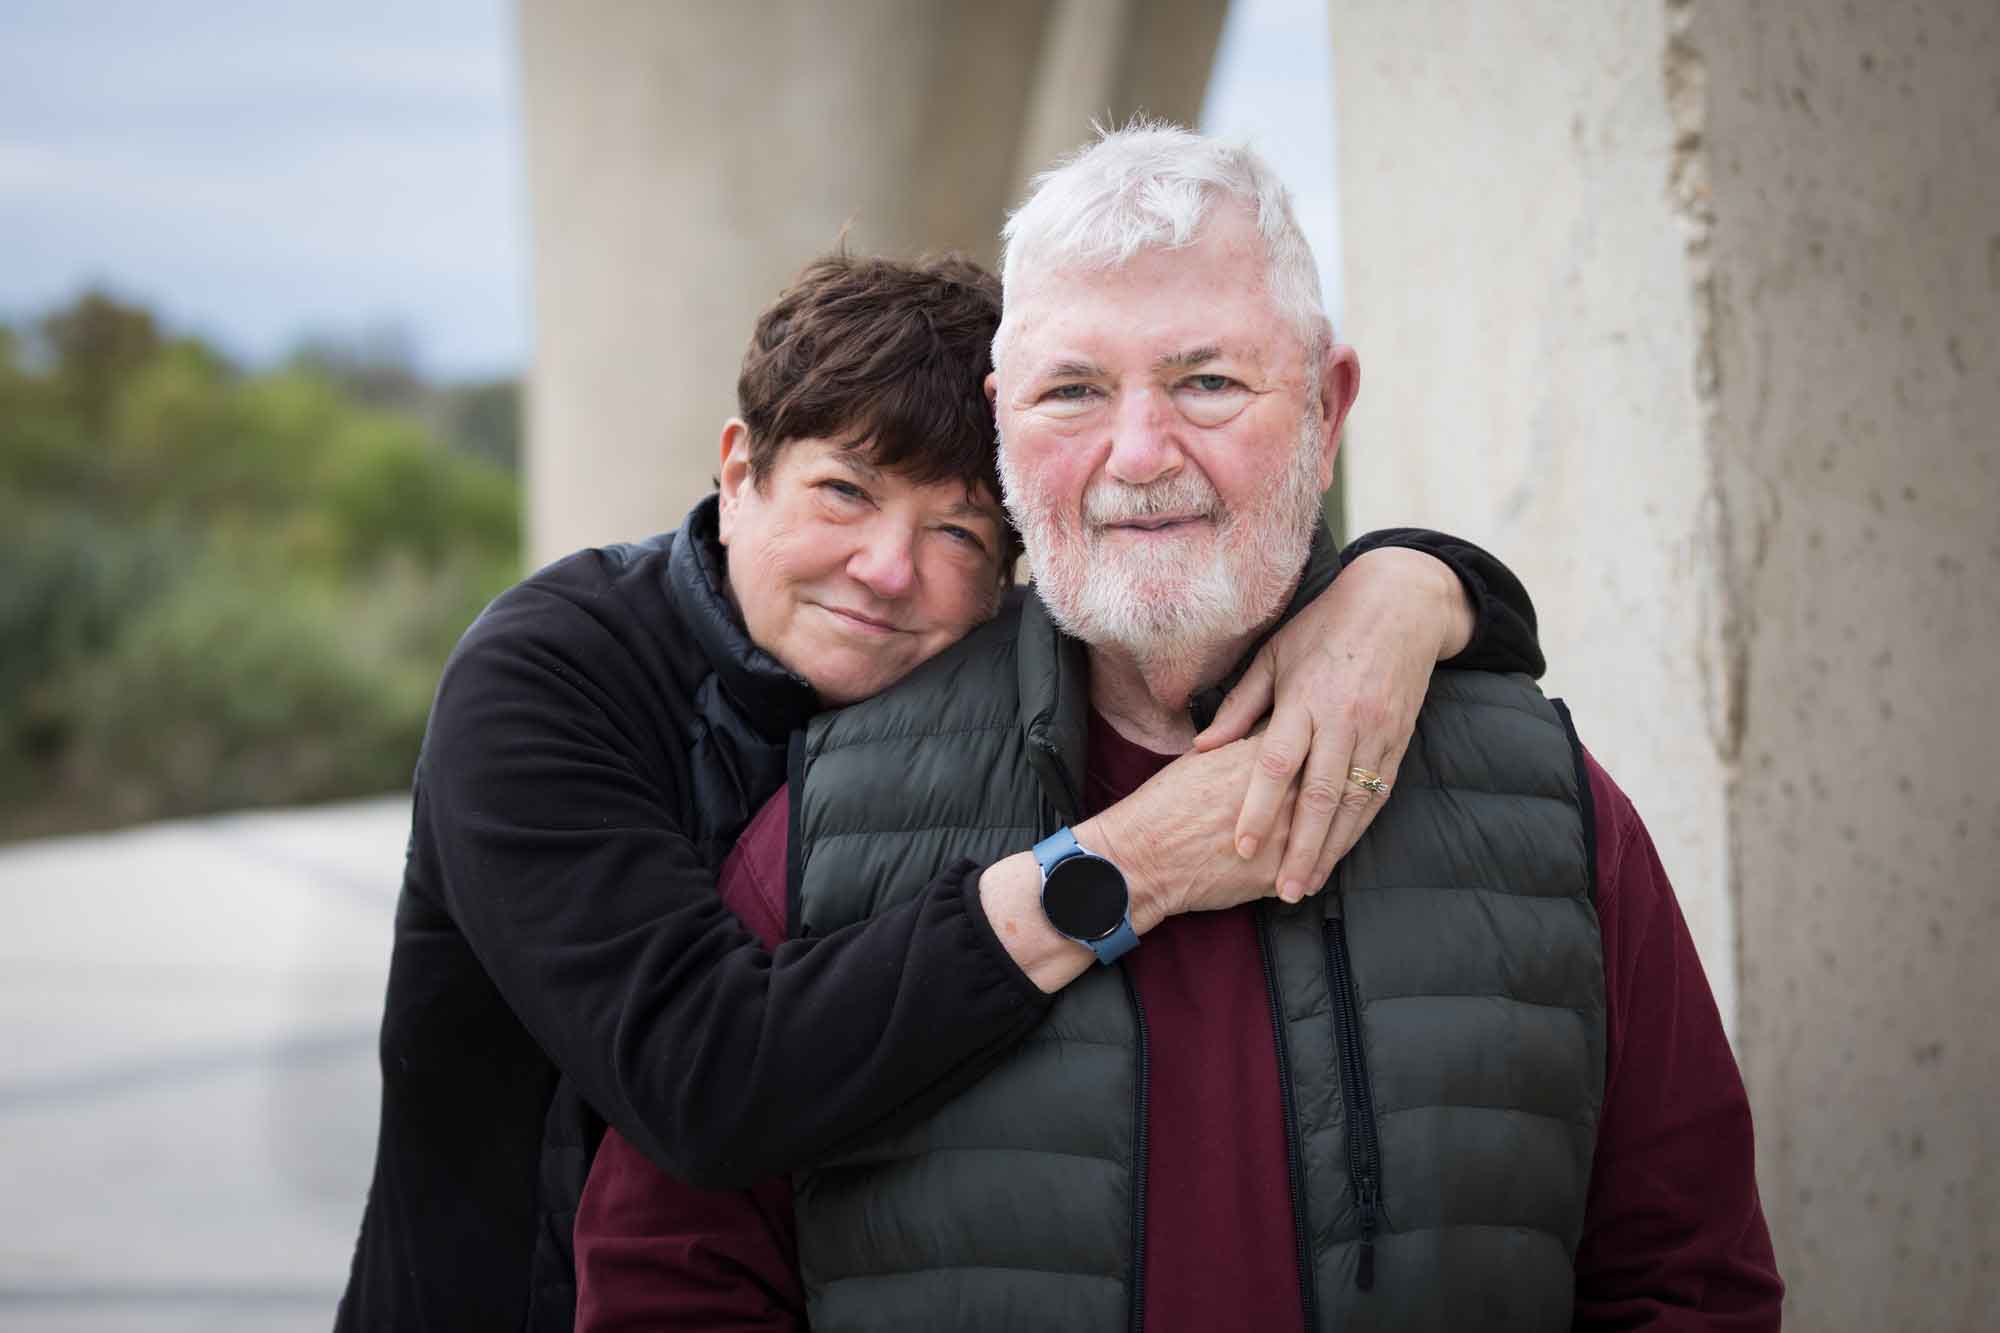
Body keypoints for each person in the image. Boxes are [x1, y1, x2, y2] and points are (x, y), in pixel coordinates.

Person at [573, 124, 1783, 1331]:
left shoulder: (1545, 808)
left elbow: (1687, 1283)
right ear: (1003, 427)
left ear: (1327, 406)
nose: (1139, 454)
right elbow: (664, 1290)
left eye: (1206, 381)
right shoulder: (827, 821)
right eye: (1072, 391)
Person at [335, 248, 1547, 1329]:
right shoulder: (546, 674)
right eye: (844, 493)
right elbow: (703, 1080)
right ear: (737, 467)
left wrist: (1419, 585)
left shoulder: (980, 677)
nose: (887, 570)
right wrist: (1131, 866)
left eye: (961, 534)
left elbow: (1198, 599)